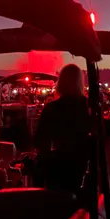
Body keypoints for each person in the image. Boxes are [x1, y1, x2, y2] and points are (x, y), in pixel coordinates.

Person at [33, 64, 91, 192]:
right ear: (80, 82)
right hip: (82, 165)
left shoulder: (51, 108)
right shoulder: (88, 108)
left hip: (57, 167)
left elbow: (41, 141)